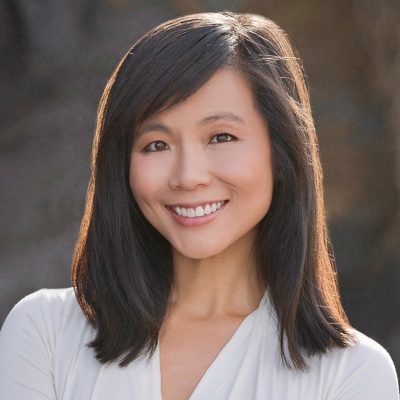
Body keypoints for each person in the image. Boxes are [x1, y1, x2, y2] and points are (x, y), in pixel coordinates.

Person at [0, 11, 398, 400]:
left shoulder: (351, 375)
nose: (188, 176)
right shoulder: (45, 333)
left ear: (280, 152)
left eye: (221, 137)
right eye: (156, 144)